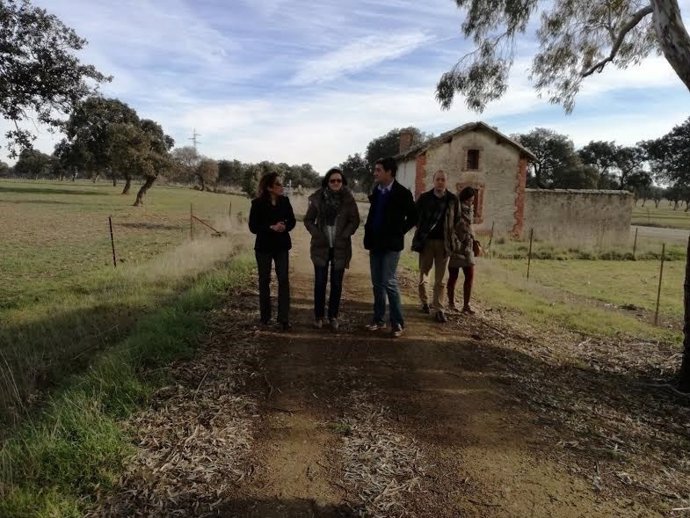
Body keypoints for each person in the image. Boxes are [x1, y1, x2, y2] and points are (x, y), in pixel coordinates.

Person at [363, 157, 417, 337]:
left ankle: (397, 323)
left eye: (378, 170)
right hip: (375, 243)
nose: (375, 173)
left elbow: (414, 217)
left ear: (389, 172)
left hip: (391, 245)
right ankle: (378, 320)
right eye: (375, 169)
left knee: (389, 282)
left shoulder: (402, 193)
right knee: (377, 284)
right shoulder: (377, 191)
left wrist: (399, 230)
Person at [304, 166, 360, 331]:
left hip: (340, 247)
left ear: (343, 182)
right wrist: (316, 234)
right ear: (327, 182)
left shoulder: (348, 199)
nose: (336, 183)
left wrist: (345, 234)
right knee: (320, 283)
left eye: (339, 180)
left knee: (336, 284)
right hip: (321, 247)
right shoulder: (318, 198)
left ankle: (333, 316)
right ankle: (318, 317)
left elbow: (355, 220)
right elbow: (308, 220)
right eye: (332, 180)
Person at [248, 172, 296, 330]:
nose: (282, 187)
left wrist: (285, 226)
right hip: (264, 247)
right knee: (264, 281)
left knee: (283, 280)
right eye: (278, 184)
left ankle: (283, 319)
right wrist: (270, 227)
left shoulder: (285, 201)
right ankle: (265, 317)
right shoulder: (257, 203)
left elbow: (292, 221)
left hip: (282, 246)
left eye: (281, 184)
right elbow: (253, 227)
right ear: (269, 187)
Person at [411, 170, 459, 323]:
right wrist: (422, 231)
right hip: (426, 243)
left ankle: (439, 309)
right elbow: (415, 216)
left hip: (444, 244)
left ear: (446, 181)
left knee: (441, 280)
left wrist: (453, 237)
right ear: (433, 181)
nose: (440, 182)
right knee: (424, 275)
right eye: (438, 179)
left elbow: (457, 220)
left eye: (443, 179)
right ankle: (424, 302)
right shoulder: (424, 198)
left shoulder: (452, 200)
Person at [447, 186, 477, 314]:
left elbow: (469, 227)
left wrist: (474, 240)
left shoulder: (470, 210)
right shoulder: (456, 208)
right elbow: (450, 227)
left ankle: (466, 305)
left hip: (468, 246)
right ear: (464, 199)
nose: (471, 203)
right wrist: (456, 244)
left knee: (470, 276)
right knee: (453, 276)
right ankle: (451, 303)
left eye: (472, 200)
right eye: (469, 200)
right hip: (456, 246)